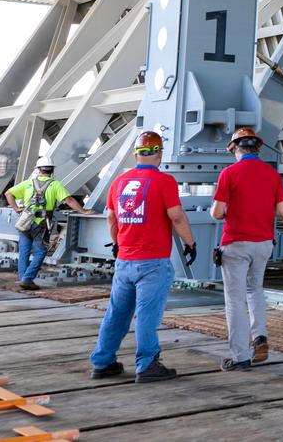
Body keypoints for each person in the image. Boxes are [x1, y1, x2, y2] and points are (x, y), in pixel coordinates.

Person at [89, 131, 197, 384]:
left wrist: (117, 242)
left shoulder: (119, 182)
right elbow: (177, 216)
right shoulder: (164, 181)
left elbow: (111, 217)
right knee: (147, 315)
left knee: (116, 313)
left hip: (125, 260)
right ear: (159, 154)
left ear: (136, 154)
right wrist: (190, 242)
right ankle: (147, 365)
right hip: (152, 262)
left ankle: (102, 362)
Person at [212, 127, 283, 371]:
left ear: (235, 148)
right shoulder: (272, 174)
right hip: (263, 243)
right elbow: (281, 212)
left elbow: (217, 212)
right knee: (255, 290)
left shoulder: (229, 173)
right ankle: (261, 337)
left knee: (234, 300)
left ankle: (241, 357)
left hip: (236, 243)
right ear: (257, 148)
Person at [5, 158, 94, 289]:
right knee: (40, 252)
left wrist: (16, 208)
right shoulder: (55, 185)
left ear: (38, 170)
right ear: (51, 170)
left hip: (24, 222)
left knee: (24, 251)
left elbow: (8, 193)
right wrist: (83, 211)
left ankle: (23, 278)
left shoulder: (28, 183)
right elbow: (69, 200)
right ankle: (27, 279)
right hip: (41, 224)